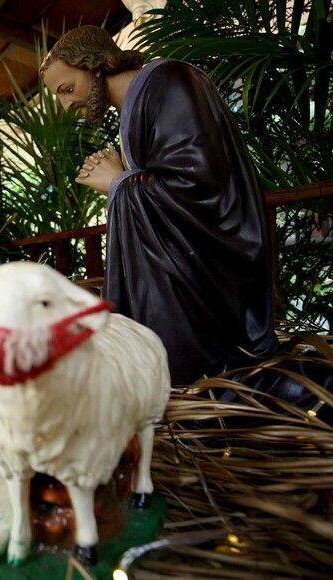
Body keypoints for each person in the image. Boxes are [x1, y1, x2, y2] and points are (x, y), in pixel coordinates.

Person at [39, 25, 282, 387]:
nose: (66, 104)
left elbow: (200, 183)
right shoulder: (137, 103)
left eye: (67, 89)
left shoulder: (170, 81)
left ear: (93, 64)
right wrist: (124, 183)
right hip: (179, 263)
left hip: (207, 265)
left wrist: (119, 183)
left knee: (197, 381)